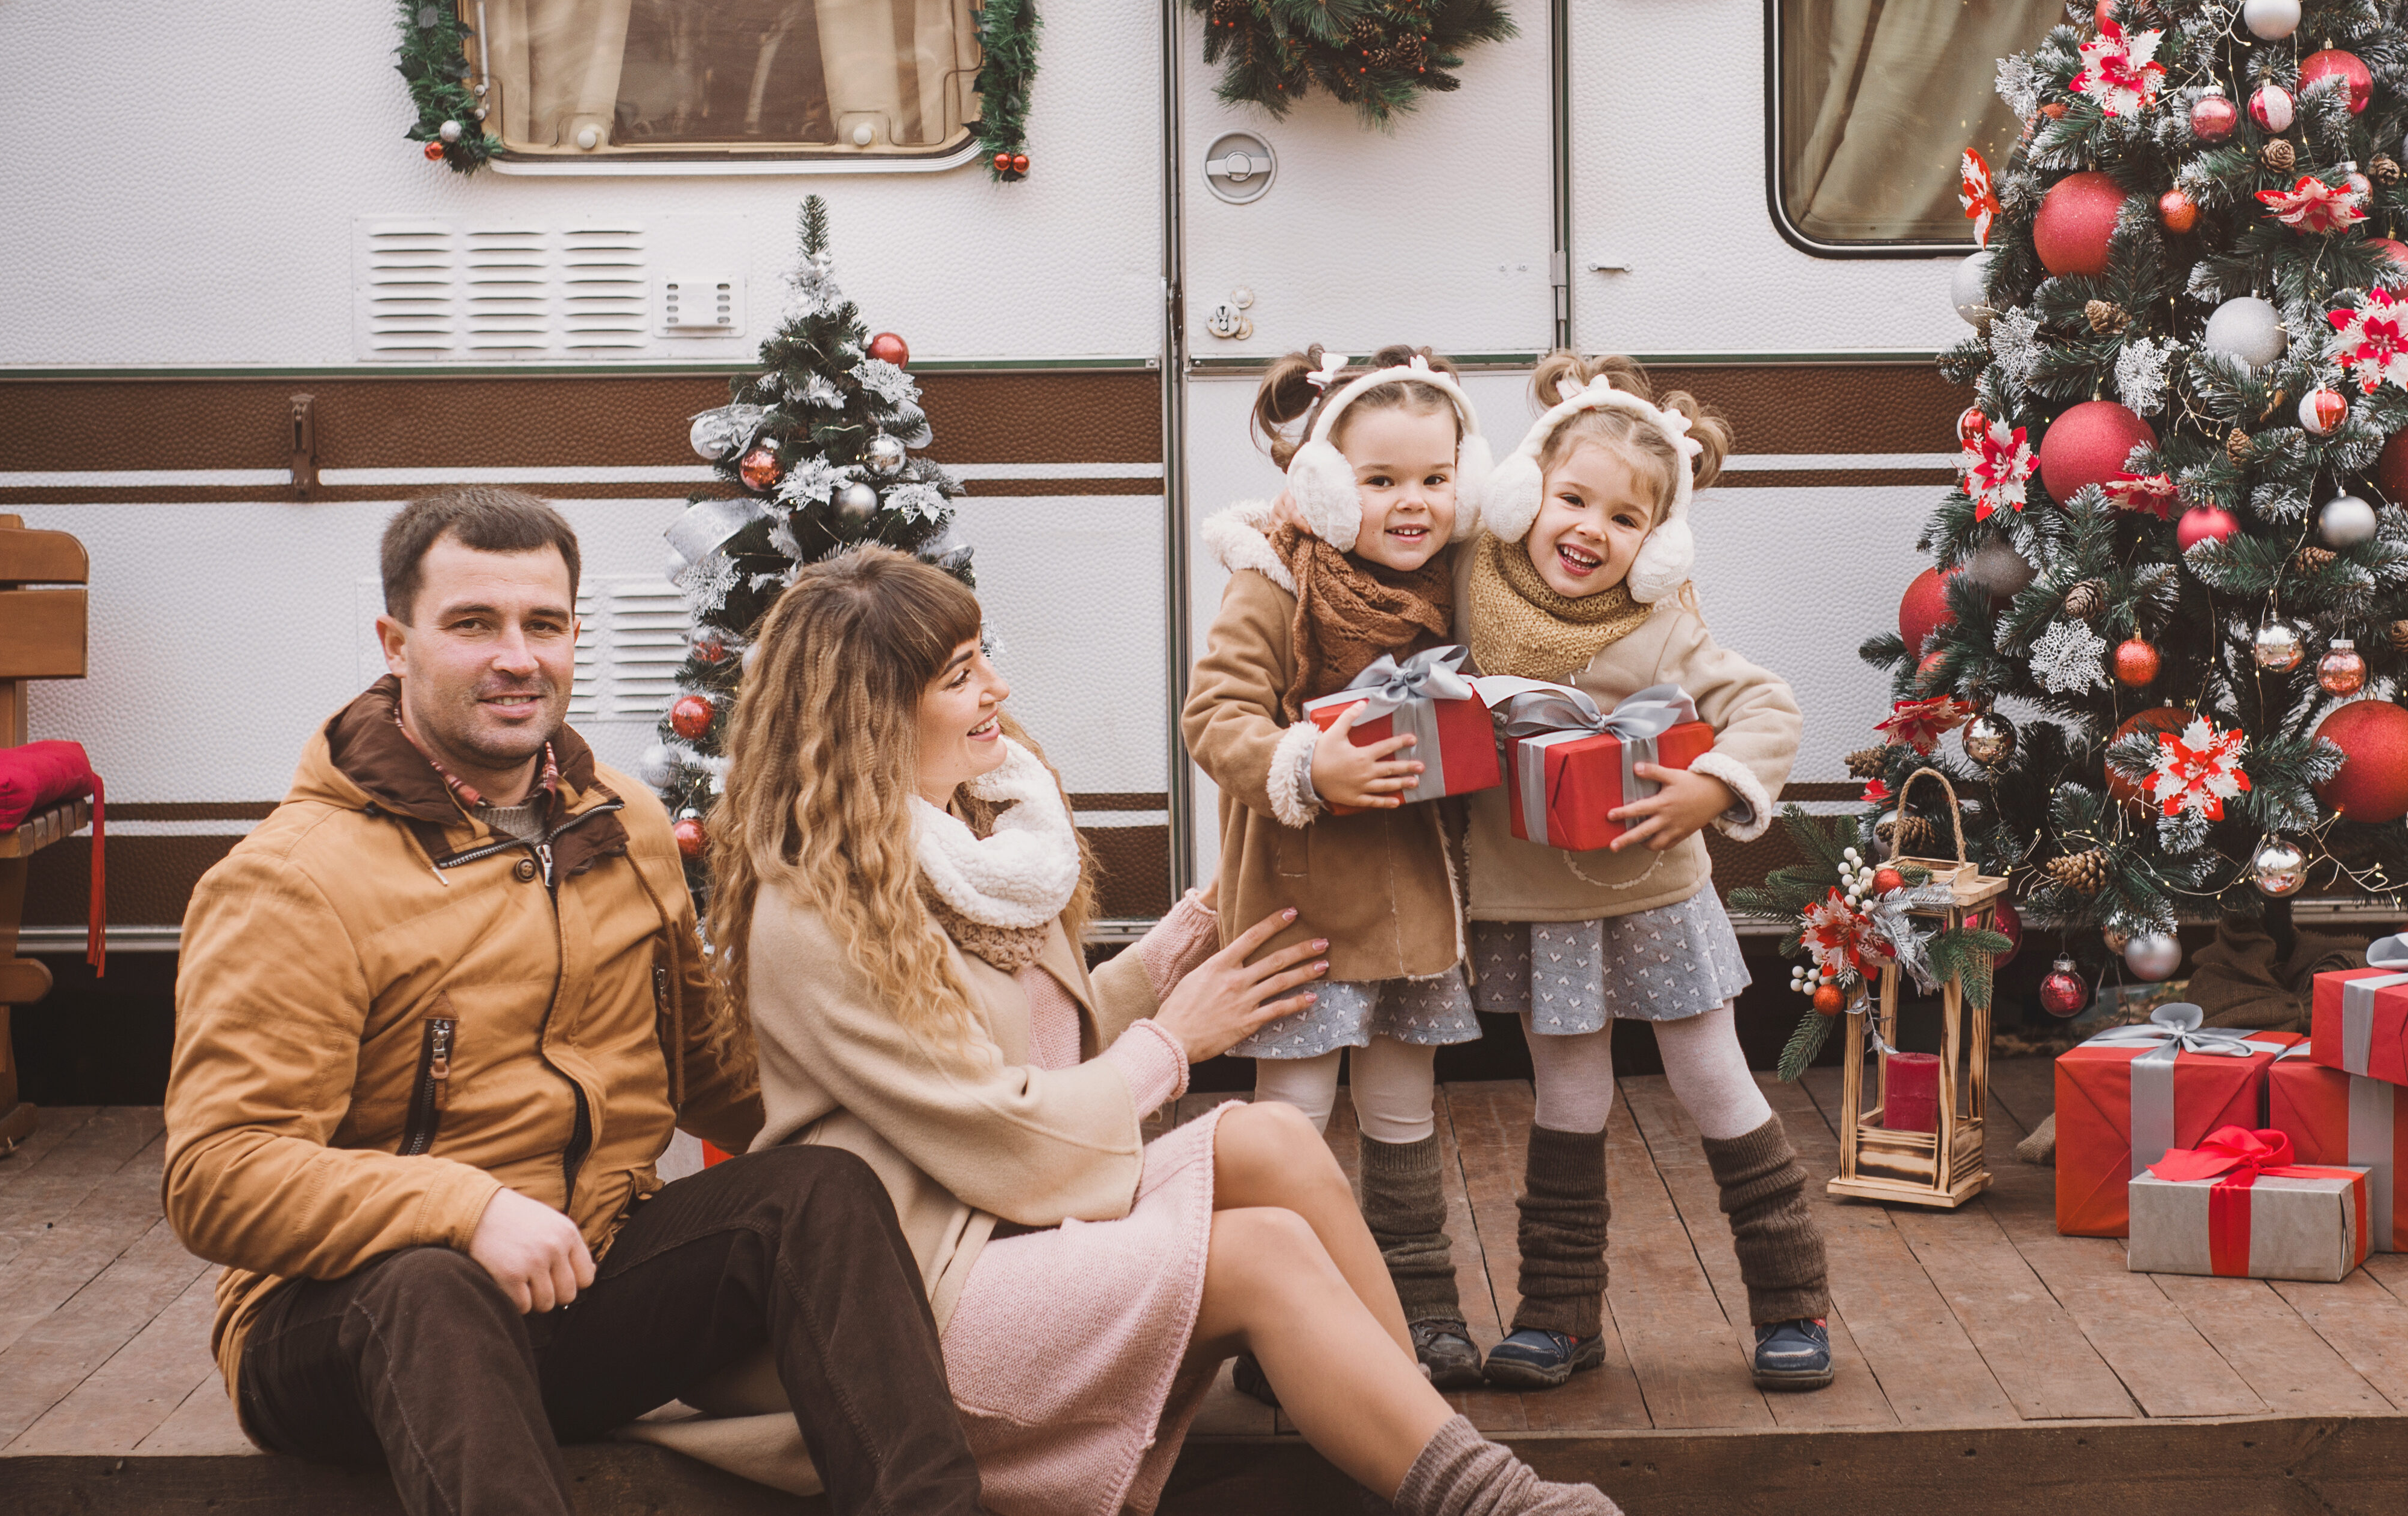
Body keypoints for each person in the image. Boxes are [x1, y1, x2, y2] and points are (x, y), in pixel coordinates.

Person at [714, 545, 1613, 1516]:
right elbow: (1003, 1131)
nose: (997, 689)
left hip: (998, 1219)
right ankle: (1490, 1502)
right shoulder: (821, 909)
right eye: (960, 673)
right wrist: (1174, 1041)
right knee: (1261, 1253)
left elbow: (1029, 1043)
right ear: (872, 711)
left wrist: (1192, 933)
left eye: (985, 657)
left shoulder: (966, 835)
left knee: (1268, 1138)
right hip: (913, 1300)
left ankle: (1426, 1455)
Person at [161, 488, 984, 1516]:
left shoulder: (621, 821)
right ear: (395, 640)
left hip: (584, 1289)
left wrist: (958, 1133)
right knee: (432, 1284)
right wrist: (467, 1209)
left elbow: (717, 1073)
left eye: (543, 625)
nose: (517, 657)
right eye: (473, 625)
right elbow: (217, 1174)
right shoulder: (292, 880)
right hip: (348, 1326)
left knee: (818, 1190)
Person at [1455, 354, 1825, 1392]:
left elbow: (1767, 707)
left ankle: (1794, 1301)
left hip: (1651, 894)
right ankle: (1558, 1315)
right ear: (1527, 491)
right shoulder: (1470, 582)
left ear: (1656, 546)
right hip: (1537, 904)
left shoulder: (1663, 622)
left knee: (1710, 1078)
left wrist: (1714, 786)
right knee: (1567, 1096)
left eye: (1624, 520)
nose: (1589, 530)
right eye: (1571, 498)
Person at [1179, 346, 1495, 1386]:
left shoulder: (1466, 582)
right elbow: (1215, 717)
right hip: (1302, 906)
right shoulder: (1276, 581)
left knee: (1405, 1113)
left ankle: (1421, 1306)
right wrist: (1307, 761)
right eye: (1382, 479)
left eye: (1436, 479)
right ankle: (1284, 1321)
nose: (1414, 504)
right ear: (1322, 481)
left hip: (1414, 906)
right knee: (1295, 1115)